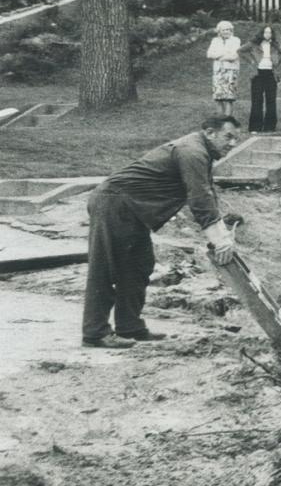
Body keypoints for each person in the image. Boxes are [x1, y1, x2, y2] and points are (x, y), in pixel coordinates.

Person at [81, 116, 240, 348]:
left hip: (133, 210)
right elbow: (199, 197)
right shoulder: (193, 151)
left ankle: (130, 327)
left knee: (139, 266)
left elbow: (206, 193)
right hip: (114, 204)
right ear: (209, 133)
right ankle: (95, 333)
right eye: (228, 137)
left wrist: (221, 234)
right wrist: (219, 240)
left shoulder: (200, 151)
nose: (233, 143)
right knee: (106, 268)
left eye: (236, 138)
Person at [245, 25, 281, 134]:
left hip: (271, 74)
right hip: (258, 75)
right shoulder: (254, 44)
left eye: (270, 33)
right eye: (266, 32)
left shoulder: (275, 45)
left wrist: (276, 62)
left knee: (271, 101)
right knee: (257, 100)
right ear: (261, 33)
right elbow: (241, 51)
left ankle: (270, 127)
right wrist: (251, 61)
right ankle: (255, 127)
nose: (268, 34)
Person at [206, 20, 241, 119]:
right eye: (224, 30)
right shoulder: (215, 41)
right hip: (218, 72)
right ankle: (220, 121)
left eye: (228, 30)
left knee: (229, 98)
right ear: (219, 31)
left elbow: (234, 56)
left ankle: (228, 121)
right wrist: (224, 55)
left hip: (231, 71)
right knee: (218, 97)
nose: (226, 32)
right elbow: (209, 54)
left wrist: (219, 56)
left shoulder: (236, 40)